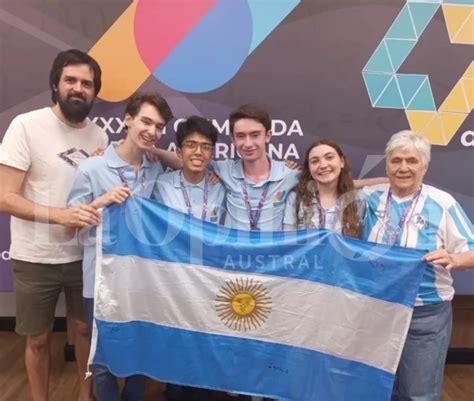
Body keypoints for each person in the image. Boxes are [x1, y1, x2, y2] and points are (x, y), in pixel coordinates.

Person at [0, 49, 108, 401]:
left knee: (83, 332)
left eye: (87, 84)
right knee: (39, 339)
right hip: (35, 257)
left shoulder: (99, 138)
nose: (79, 89)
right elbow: (5, 197)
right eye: (71, 80)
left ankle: (84, 396)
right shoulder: (26, 126)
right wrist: (59, 215)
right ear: (55, 84)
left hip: (85, 257)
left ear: (95, 91)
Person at [67, 92, 174, 401]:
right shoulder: (92, 168)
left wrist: (159, 152)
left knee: (140, 351)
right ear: (127, 119)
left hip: (142, 278)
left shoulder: (155, 168)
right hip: (101, 279)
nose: (152, 131)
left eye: (159, 126)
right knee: (103, 357)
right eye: (145, 121)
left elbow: (189, 162)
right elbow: (71, 225)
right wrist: (100, 202)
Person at [362, 130, 474, 401]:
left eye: (412, 161)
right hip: (378, 309)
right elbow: (334, 186)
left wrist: (456, 259)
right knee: (376, 388)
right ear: (386, 164)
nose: (403, 168)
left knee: (418, 394)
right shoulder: (369, 198)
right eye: (396, 160)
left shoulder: (442, 203)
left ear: (424, 166)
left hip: (424, 314)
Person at [153, 115, 226, 401]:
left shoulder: (222, 186)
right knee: (174, 340)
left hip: (210, 280)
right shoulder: (161, 184)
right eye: (191, 145)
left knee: (205, 342)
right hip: (173, 280)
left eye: (206, 147)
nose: (198, 152)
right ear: (179, 150)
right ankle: (173, 391)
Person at [283, 139, 361, 237]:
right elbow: (288, 241)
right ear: (309, 168)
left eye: (329, 157)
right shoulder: (295, 199)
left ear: (342, 162)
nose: (323, 165)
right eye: (315, 161)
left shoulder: (358, 200)